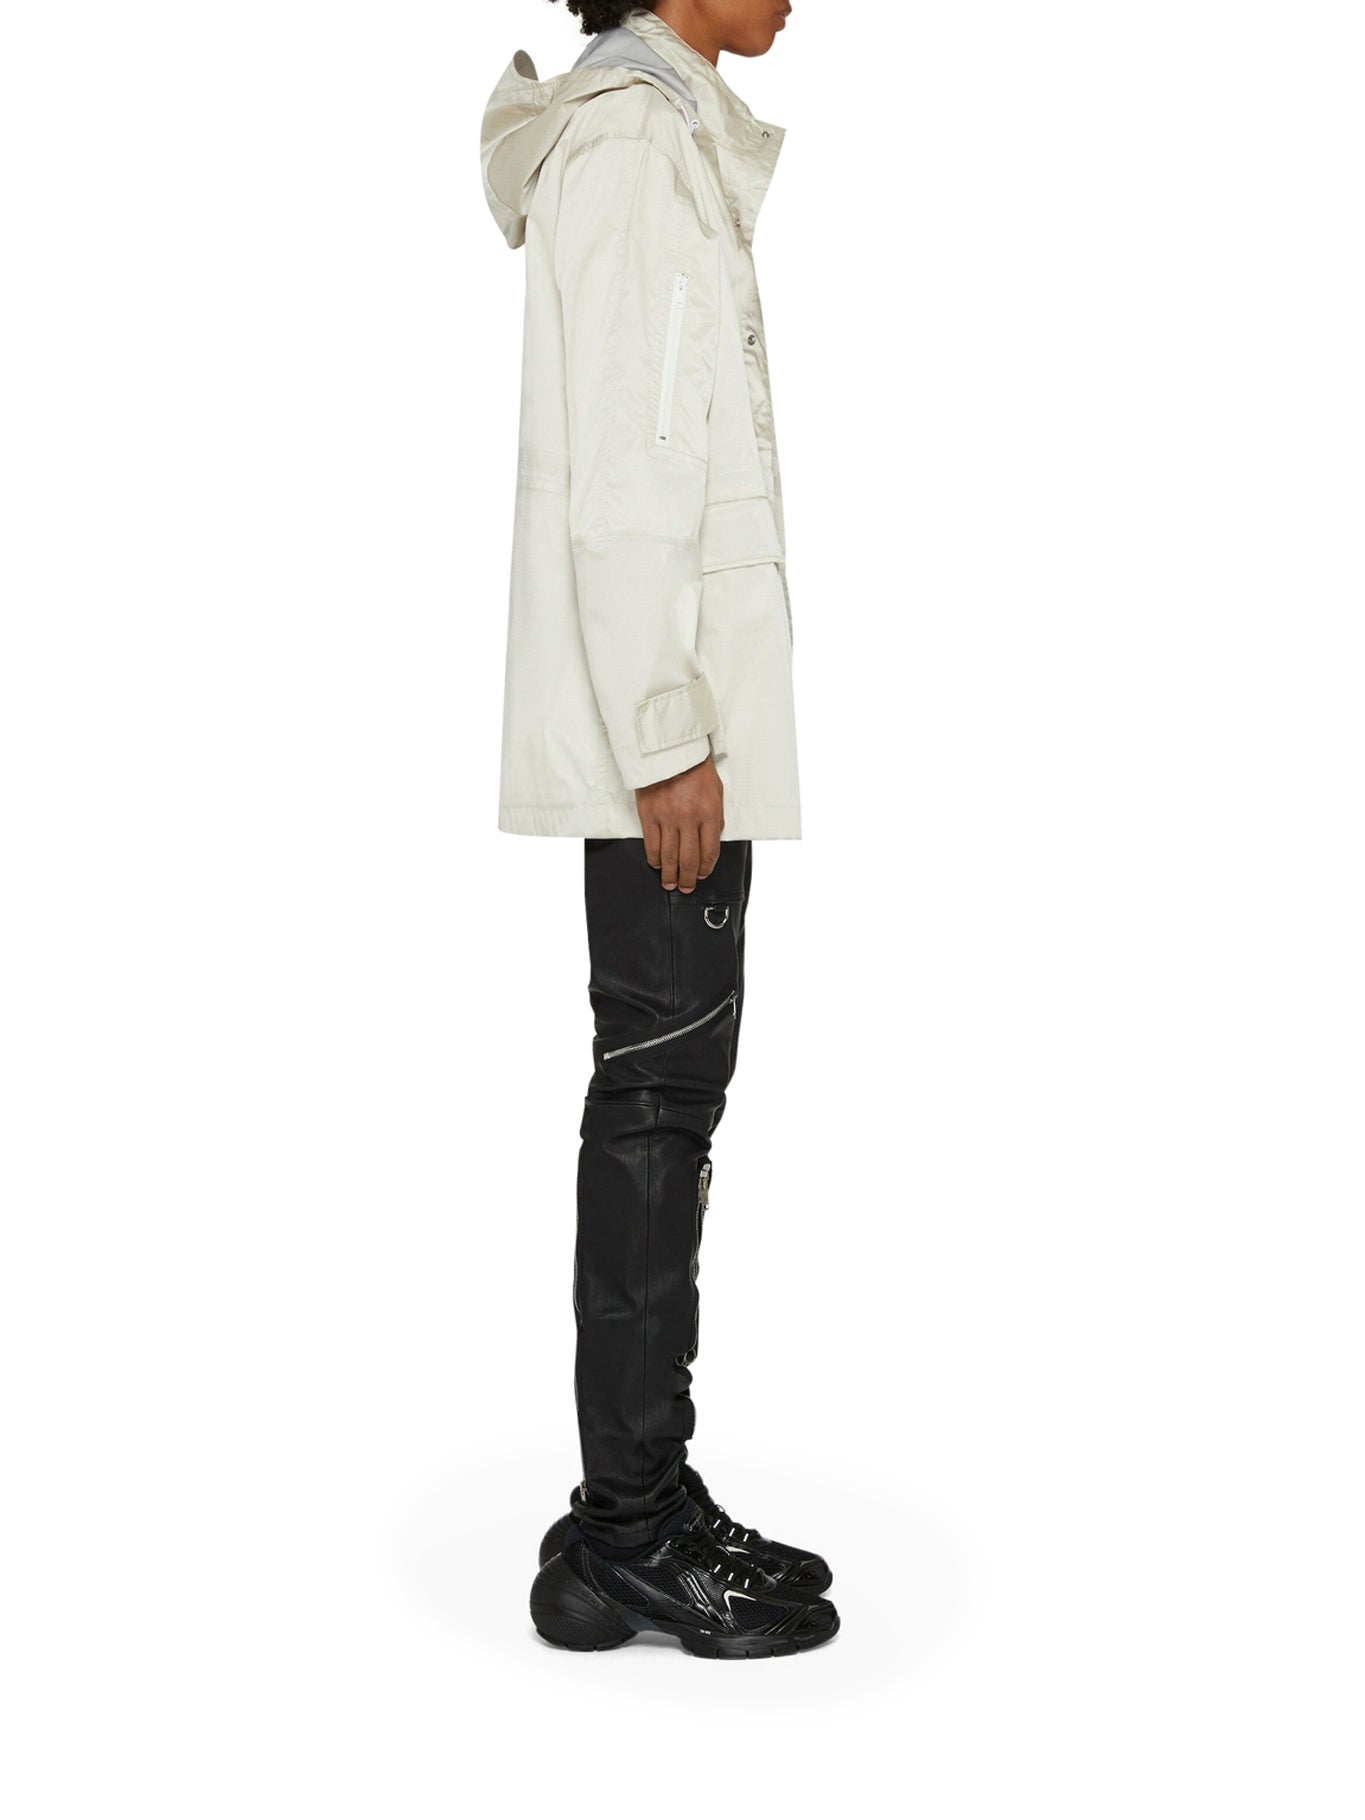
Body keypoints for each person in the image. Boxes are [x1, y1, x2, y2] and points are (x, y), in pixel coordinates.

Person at [481, 0, 837, 1658]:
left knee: (660, 1087)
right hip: (665, 742)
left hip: (669, 722)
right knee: (658, 1094)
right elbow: (631, 475)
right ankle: (631, 1529)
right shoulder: (634, 142)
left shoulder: (658, 130)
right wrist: (667, 734)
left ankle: (620, 1521)